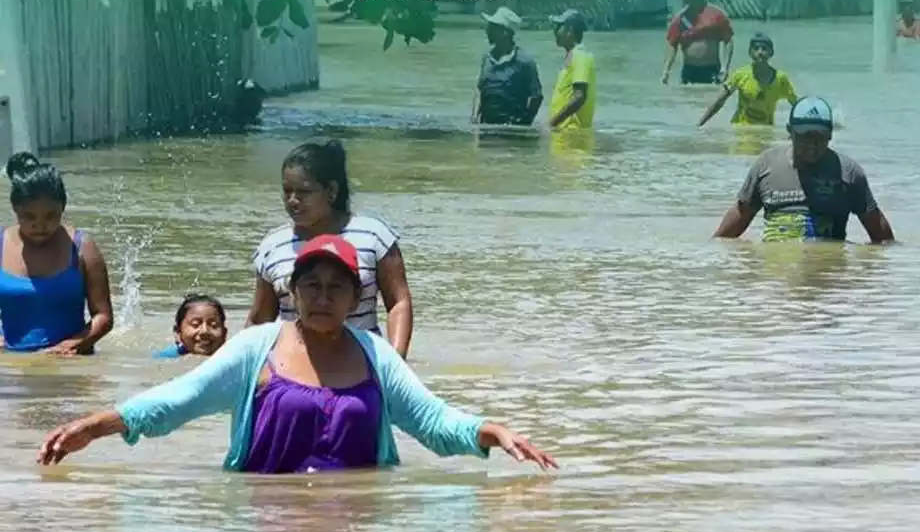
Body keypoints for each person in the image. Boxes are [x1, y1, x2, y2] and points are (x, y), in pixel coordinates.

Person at [37, 235, 558, 474]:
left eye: (337, 287)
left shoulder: (376, 356)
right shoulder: (253, 348)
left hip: (362, 519)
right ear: (294, 293)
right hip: (266, 520)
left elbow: (433, 421)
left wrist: (489, 432)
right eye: (312, 285)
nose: (323, 296)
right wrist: (98, 424)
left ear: (357, 299)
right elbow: (176, 400)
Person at [248, 140, 415, 359]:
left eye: (304, 192)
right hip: (292, 369)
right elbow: (260, 320)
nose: (293, 201)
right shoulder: (272, 245)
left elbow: (398, 303)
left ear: (331, 191)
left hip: (361, 366)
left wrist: (395, 362)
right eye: (287, 191)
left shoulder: (373, 236)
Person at [713, 97, 896, 244]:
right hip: (776, 279)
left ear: (830, 134)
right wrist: (712, 249)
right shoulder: (766, 165)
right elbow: (740, 215)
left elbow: (882, 237)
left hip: (829, 276)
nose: (812, 145)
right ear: (789, 131)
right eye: (804, 136)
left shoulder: (848, 173)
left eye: (819, 137)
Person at [0, 152, 112, 354]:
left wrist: (69, 346)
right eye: (29, 216)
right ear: (15, 209)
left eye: (51, 216)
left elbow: (103, 316)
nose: (40, 225)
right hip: (11, 368)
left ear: (63, 208)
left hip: (71, 364)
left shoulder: (82, 249)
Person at [698, 33, 798, 127]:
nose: (760, 52)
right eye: (756, 48)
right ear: (750, 52)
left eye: (764, 48)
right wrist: (700, 124)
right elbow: (720, 101)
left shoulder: (781, 79)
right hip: (741, 128)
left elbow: (796, 106)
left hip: (766, 131)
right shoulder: (740, 74)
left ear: (771, 53)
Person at [471, 7, 543, 127]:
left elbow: (536, 97)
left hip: (511, 128)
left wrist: (524, 124)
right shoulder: (487, 58)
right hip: (486, 127)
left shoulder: (525, 62)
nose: (486, 31)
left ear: (505, 32)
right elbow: (479, 89)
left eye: (491, 28)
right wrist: (474, 117)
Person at [661, 0, 734, 85]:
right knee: (688, 101)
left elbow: (728, 41)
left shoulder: (717, 15)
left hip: (712, 70)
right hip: (689, 71)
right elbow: (672, 45)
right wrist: (666, 71)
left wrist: (725, 67)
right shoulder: (679, 19)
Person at [545, 9, 597, 132]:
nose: (555, 32)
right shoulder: (573, 57)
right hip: (565, 133)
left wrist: (552, 123)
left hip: (572, 135)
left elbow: (579, 97)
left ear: (570, 30)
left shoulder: (580, 57)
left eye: (559, 27)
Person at [154, 294, 228, 358]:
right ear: (178, 333)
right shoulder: (164, 359)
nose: (204, 331)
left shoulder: (232, 358)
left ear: (224, 333)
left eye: (213, 325)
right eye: (195, 325)